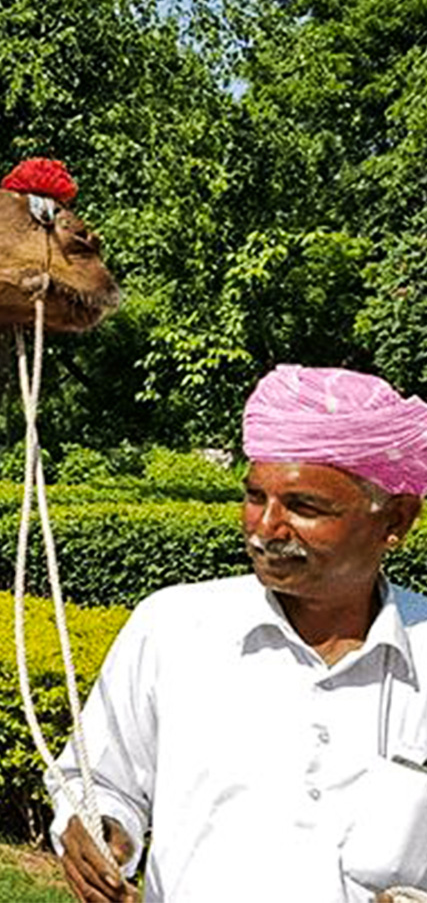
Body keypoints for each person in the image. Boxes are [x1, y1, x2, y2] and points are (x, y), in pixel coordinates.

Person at [50, 365, 427, 903]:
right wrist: (100, 825)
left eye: (304, 507)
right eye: (255, 498)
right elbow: (99, 781)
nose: (266, 528)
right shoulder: (174, 627)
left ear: (397, 519)